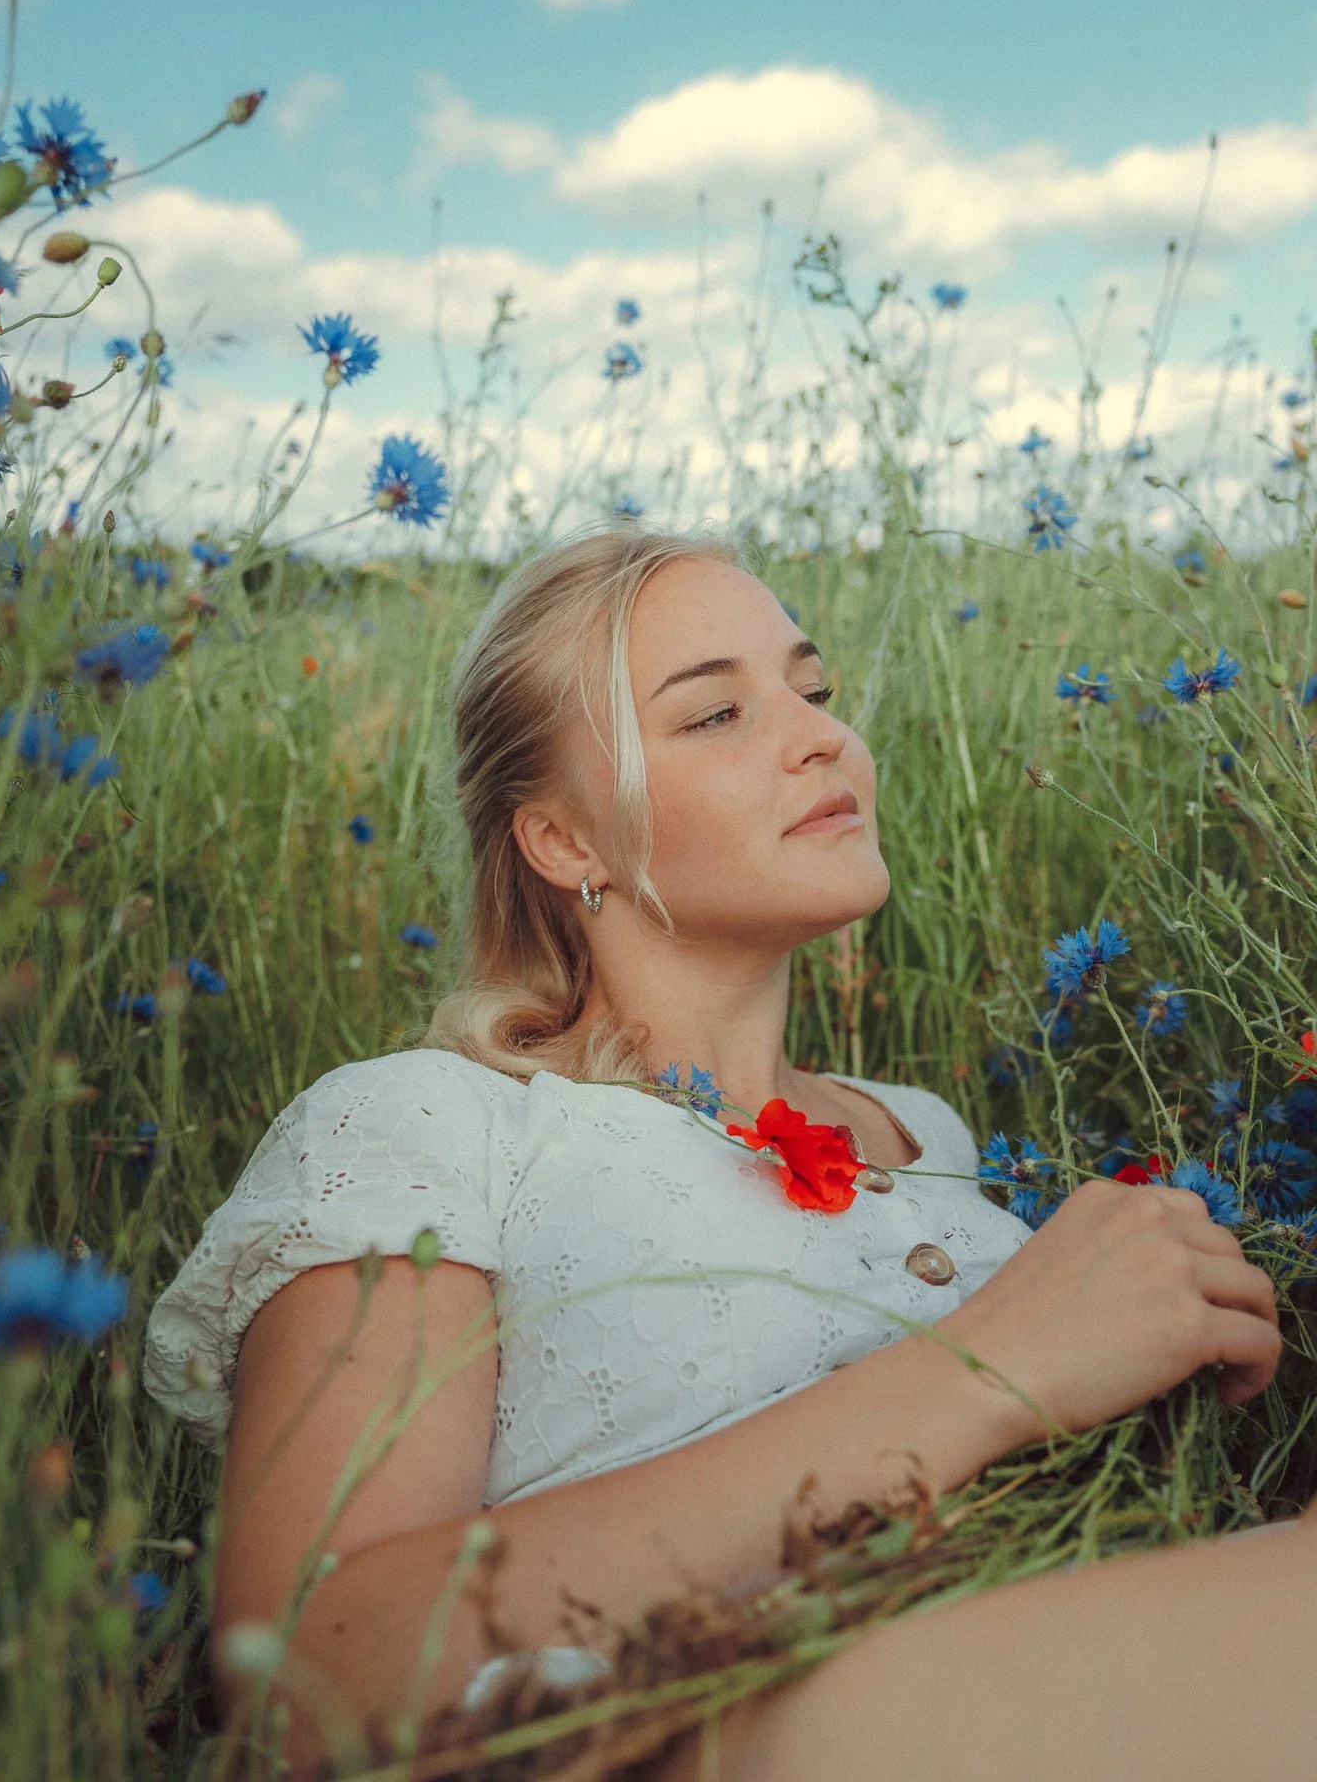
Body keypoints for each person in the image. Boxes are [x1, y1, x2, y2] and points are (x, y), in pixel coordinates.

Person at [144, 528, 1308, 1782]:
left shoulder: (931, 1141)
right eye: (714, 715)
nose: (820, 737)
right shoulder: (430, 1125)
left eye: (813, 692)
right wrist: (993, 1365)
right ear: (565, 843)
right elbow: (313, 1684)